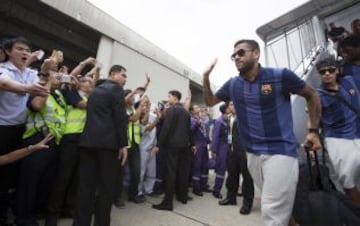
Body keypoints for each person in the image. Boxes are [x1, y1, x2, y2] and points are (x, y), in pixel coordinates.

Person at [202, 39, 321, 226]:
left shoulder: (280, 76)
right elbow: (209, 101)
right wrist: (205, 77)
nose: (236, 57)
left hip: (280, 153)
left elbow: (311, 95)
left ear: (256, 53)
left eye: (241, 52)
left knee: (271, 212)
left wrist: (313, 130)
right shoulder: (233, 85)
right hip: (252, 155)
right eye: (234, 55)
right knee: (280, 208)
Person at [75, 65, 128, 226]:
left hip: (87, 143)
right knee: (106, 188)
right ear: (112, 74)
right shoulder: (116, 90)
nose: (125, 79)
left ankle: (80, 223)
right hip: (108, 145)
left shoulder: (95, 91)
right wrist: (123, 144)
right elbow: (120, 118)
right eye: (123, 75)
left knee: (85, 187)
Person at [316, 57, 360, 204]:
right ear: (319, 74)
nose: (327, 73)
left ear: (338, 71)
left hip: (358, 133)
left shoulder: (350, 81)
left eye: (331, 70)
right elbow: (313, 119)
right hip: (337, 138)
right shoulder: (318, 95)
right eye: (323, 72)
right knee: (346, 178)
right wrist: (313, 136)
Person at [152, 90, 195, 211]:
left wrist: (159, 144)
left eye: (169, 96)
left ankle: (167, 203)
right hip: (184, 146)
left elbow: (166, 128)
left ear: (175, 98)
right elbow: (189, 130)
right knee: (183, 172)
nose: (168, 98)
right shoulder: (186, 112)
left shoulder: (172, 110)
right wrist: (192, 143)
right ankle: (183, 197)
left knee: (170, 173)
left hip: (172, 146)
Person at [219, 113, 254, 215]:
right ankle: (231, 198)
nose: (232, 105)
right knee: (232, 176)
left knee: (247, 179)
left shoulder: (246, 116)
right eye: (230, 104)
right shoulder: (229, 118)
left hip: (244, 152)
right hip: (232, 152)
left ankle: (247, 204)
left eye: (233, 103)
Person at [211, 102, 231, 199]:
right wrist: (214, 150)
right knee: (221, 169)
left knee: (227, 168)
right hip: (222, 147)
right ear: (225, 110)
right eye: (229, 107)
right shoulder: (219, 121)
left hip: (227, 146)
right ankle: (216, 190)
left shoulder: (227, 120)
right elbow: (215, 136)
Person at [189, 104, 211, 196]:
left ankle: (204, 184)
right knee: (197, 166)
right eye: (196, 107)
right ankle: (196, 187)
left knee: (205, 165)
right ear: (192, 111)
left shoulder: (202, 119)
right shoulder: (192, 119)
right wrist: (197, 124)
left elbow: (208, 126)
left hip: (204, 145)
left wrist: (208, 115)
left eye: (199, 107)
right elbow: (190, 130)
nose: (198, 109)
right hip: (197, 145)